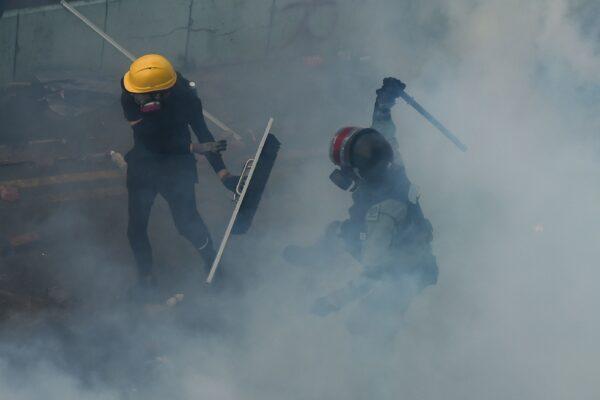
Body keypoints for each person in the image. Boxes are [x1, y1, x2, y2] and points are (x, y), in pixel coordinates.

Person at [285, 78, 438, 335]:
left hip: (406, 269)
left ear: (356, 170)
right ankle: (317, 256)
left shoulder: (382, 214)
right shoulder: (391, 164)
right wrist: (383, 104)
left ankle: (381, 367)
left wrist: (331, 302)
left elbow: (372, 273)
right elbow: (384, 132)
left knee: (365, 326)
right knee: (341, 230)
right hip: (403, 244)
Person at [120, 54, 238, 287]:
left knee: (187, 222)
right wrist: (195, 148)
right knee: (137, 226)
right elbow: (151, 140)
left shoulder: (187, 98)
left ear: (163, 92)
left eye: (142, 95)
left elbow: (203, 132)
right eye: (136, 94)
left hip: (177, 167)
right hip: (144, 164)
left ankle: (212, 262)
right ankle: (145, 277)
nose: (137, 99)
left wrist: (223, 173)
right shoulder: (129, 95)